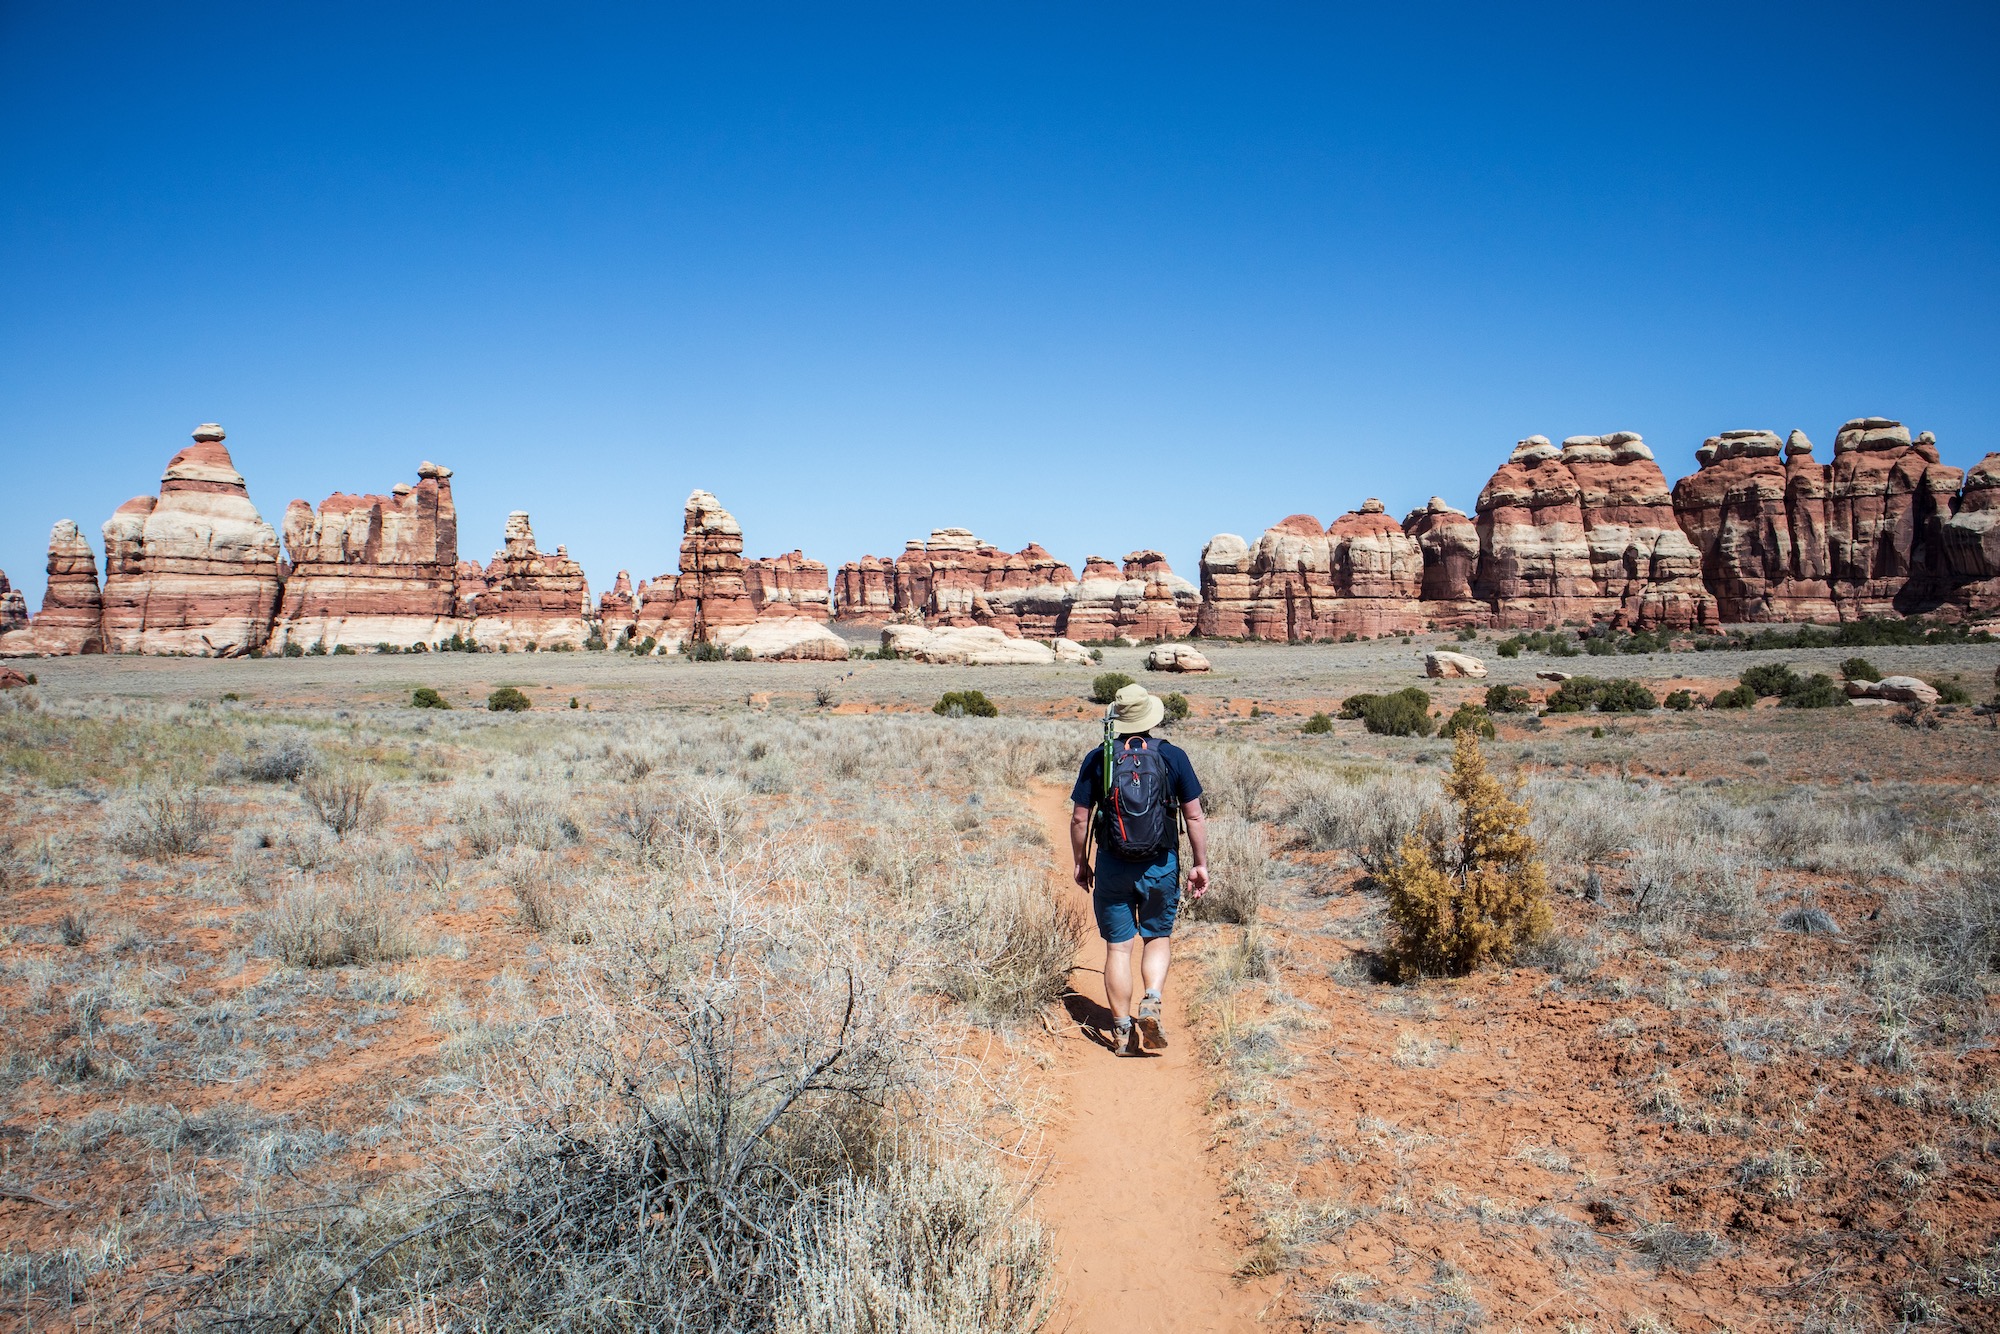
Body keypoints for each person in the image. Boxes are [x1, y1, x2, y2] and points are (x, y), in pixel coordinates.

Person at [1070, 682, 1209, 1055]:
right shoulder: (1172, 756)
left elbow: (1080, 819)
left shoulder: (1099, 758)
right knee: (1156, 937)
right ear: (1150, 718)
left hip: (1113, 864)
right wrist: (1199, 864)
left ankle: (1120, 1031)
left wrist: (1081, 862)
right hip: (1161, 864)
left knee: (1118, 949)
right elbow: (1193, 816)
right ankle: (1151, 998)